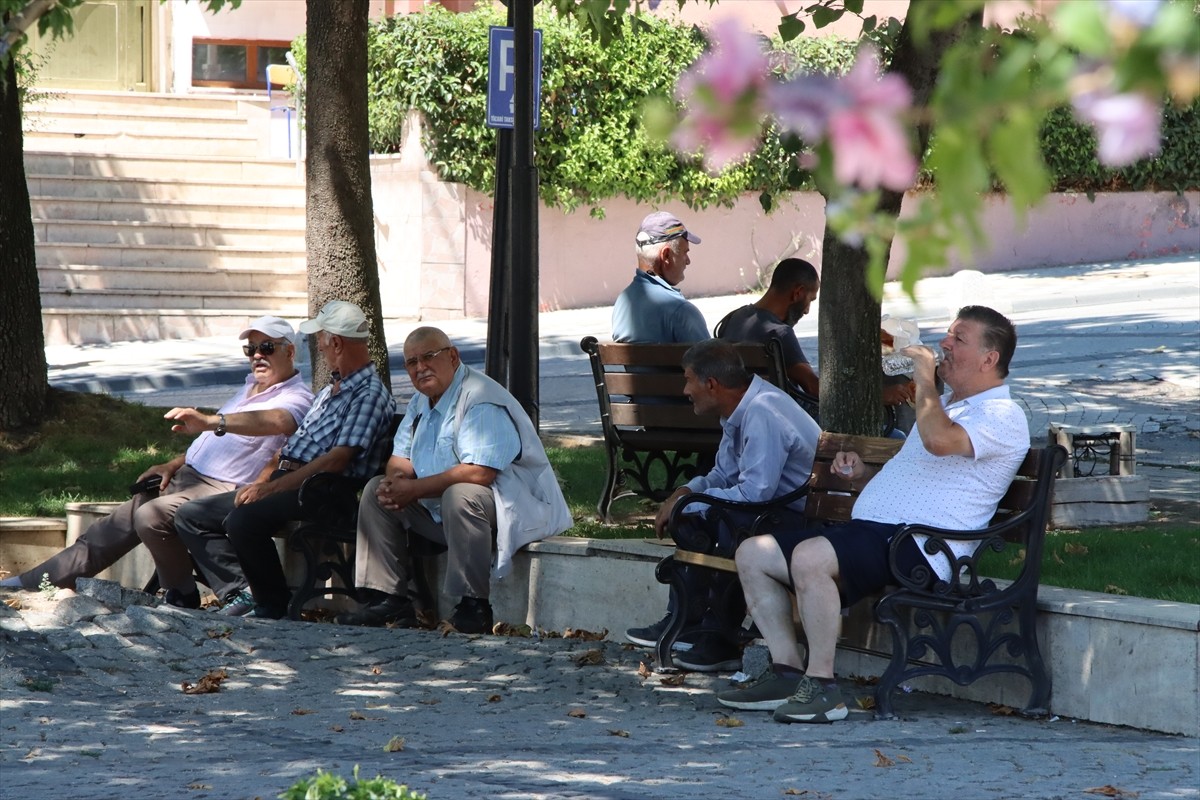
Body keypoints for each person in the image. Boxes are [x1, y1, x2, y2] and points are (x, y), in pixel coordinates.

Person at [716, 305, 1030, 723]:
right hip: (883, 533)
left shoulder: (1002, 415)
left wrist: (923, 378)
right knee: (753, 554)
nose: (944, 344)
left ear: (990, 359)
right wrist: (862, 475)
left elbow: (938, 443)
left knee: (810, 557)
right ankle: (788, 672)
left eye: (959, 339)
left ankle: (823, 688)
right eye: (948, 335)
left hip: (925, 547)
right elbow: (918, 473)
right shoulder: (947, 407)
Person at [0, 317, 314, 606]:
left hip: (223, 488)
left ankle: (182, 594)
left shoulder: (297, 397)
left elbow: (277, 421)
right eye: (251, 348)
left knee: (151, 515)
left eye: (267, 347)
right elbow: (218, 443)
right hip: (189, 476)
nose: (257, 355)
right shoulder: (248, 388)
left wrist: (210, 421)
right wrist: (172, 465)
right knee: (109, 529)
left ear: (289, 351)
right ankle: (34, 582)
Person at [335, 326, 572, 633]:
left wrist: (414, 489)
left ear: (453, 356)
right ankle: (389, 601)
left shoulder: (479, 397)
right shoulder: (422, 401)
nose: (420, 367)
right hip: (442, 513)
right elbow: (400, 458)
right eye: (412, 362)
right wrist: (397, 482)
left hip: (508, 511)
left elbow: (480, 472)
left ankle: (474, 607)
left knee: (461, 495)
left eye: (429, 357)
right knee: (376, 491)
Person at [172, 301, 396, 620]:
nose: (319, 348)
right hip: (290, 481)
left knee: (242, 520)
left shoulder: (369, 393)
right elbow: (291, 447)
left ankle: (271, 603)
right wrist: (262, 481)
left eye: (320, 341)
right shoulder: (331, 390)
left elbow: (337, 460)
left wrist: (271, 489)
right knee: (191, 515)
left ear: (336, 343)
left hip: (323, 491)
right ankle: (244, 592)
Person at [624, 339, 821, 671]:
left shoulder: (763, 411)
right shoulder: (741, 408)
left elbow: (756, 495)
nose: (685, 390)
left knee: (728, 522)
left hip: (803, 520)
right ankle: (686, 621)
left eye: (688, 380)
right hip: (773, 511)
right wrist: (684, 493)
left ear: (711, 384)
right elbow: (723, 474)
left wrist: (691, 504)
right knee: (702, 514)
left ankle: (720, 637)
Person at [717, 257, 914, 409]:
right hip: (788, 420)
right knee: (895, 435)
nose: (806, 311)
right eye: (810, 300)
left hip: (745, 413)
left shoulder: (734, 318)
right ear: (798, 293)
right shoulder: (779, 334)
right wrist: (879, 395)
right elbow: (814, 388)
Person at [611, 211, 708, 344]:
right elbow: (711, 357)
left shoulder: (622, 302)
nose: (688, 261)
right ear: (666, 255)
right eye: (685, 253)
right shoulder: (681, 311)